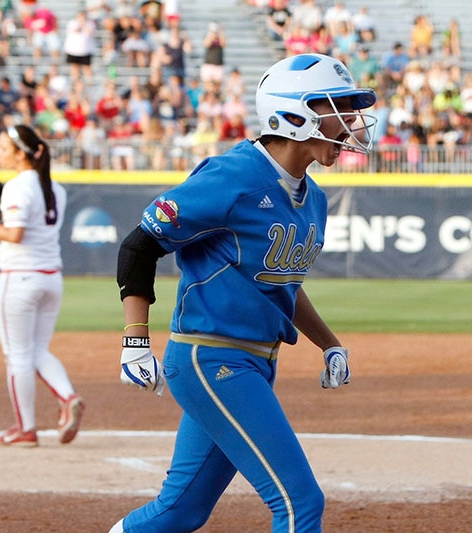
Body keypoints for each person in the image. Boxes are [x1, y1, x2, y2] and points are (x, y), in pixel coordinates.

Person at [110, 53, 377, 533]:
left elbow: (281, 284)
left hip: (254, 362)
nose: (351, 121)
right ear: (293, 112)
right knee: (299, 503)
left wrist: (329, 343)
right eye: (338, 107)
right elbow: (139, 246)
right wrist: (135, 340)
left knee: (180, 511)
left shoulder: (313, 197)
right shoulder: (232, 176)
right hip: (211, 358)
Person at [0, 124, 85, 447]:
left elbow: (15, 234)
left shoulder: (17, 187)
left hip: (20, 277)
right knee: (35, 351)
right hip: (51, 277)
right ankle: (68, 397)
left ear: (21, 154)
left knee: (18, 356)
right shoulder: (56, 188)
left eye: (3, 148)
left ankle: (26, 428)